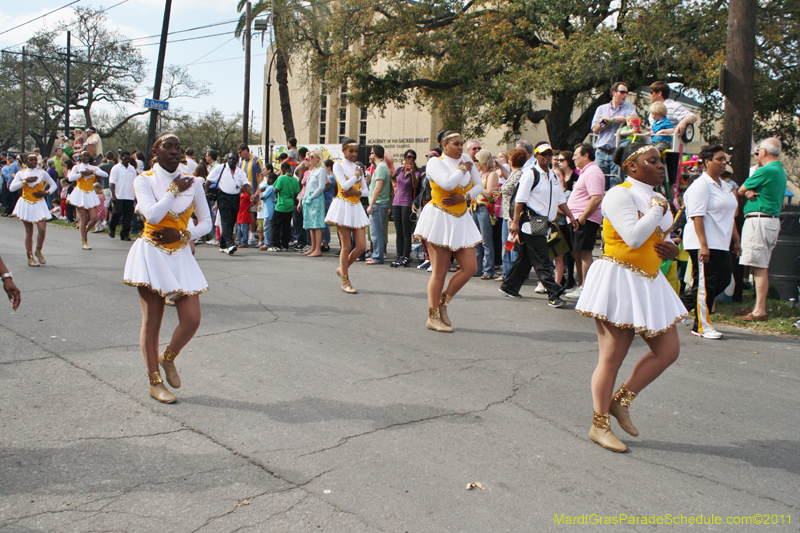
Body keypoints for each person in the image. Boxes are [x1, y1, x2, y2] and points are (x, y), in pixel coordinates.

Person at [575, 142, 686, 453]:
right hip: (619, 279)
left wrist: (672, 250)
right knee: (612, 356)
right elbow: (633, 236)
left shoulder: (659, 198)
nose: (660, 165)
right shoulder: (619, 194)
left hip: (649, 281)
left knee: (668, 350)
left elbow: (662, 239)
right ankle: (599, 425)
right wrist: (656, 210)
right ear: (632, 166)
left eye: (660, 160)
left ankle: (621, 400)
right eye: (652, 161)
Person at [123, 132, 212, 404]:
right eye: (167, 147)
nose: (174, 152)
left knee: (192, 319)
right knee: (153, 322)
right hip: (151, 254)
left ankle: (168, 357)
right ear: (156, 151)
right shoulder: (144, 180)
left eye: (177, 148)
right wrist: (174, 188)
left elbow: (207, 223)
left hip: (181, 254)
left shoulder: (194, 183)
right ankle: (154, 382)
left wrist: (184, 236)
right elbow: (152, 215)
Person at [413, 131, 483, 332]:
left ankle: (443, 303)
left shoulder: (467, 159)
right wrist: (462, 170)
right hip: (440, 219)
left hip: (461, 219)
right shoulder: (436, 162)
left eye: (461, 144)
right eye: (455, 144)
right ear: (444, 145)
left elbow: (480, 185)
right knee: (440, 272)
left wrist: (465, 197)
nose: (460, 148)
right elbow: (448, 184)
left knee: (470, 268)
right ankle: (432, 316)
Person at [500, 143, 577, 306]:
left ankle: (510, 286)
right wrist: (514, 222)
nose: (547, 156)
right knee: (542, 259)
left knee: (526, 258)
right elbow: (520, 200)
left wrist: (571, 216)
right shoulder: (530, 174)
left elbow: (560, 200)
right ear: (536, 156)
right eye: (543, 154)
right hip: (531, 224)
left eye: (549, 153)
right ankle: (554, 293)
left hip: (543, 224)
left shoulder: (553, 176)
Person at [680, 145, 741, 339]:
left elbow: (730, 215)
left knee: (722, 280)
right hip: (703, 242)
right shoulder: (700, 185)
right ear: (707, 162)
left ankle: (673, 307)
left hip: (721, 242)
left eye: (725, 160)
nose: (724, 163)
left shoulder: (724, 186)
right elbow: (696, 216)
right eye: (719, 159)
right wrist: (703, 245)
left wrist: (736, 240)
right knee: (706, 284)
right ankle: (701, 326)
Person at [737, 138, 787, 321]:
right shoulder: (778, 170)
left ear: (764, 152)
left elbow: (742, 189)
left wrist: (748, 190)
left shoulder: (766, 170)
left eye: (758, 151)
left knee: (759, 266)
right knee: (760, 264)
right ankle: (759, 307)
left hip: (759, 220)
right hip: (770, 221)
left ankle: (759, 310)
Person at [325, 137, 369, 293]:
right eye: (351, 151)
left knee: (362, 245)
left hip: (356, 207)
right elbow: (343, 186)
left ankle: (342, 269)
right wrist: (356, 177)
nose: (354, 154)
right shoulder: (338, 165)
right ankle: (345, 281)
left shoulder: (358, 168)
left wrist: (356, 190)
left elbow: (366, 191)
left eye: (356, 151)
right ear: (343, 150)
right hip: (343, 206)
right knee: (346, 245)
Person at [564, 144, 604, 298]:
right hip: (578, 219)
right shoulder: (585, 172)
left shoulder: (593, 172)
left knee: (585, 253)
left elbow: (596, 198)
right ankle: (581, 285)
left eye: (576, 155)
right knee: (578, 253)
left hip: (585, 220)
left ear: (586, 155)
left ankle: (586, 287)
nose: (573, 158)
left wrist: (582, 218)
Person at [9, 153, 57, 266]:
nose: (34, 162)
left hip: (39, 203)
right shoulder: (21, 173)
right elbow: (11, 188)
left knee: (42, 229)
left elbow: (53, 184)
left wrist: (46, 192)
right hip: (26, 203)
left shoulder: (42, 173)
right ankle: (30, 256)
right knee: (29, 231)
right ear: (26, 162)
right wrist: (25, 181)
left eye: (35, 160)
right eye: (31, 160)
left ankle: (38, 250)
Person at [591, 82, 637, 189]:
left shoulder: (629, 107)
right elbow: (595, 129)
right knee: (599, 186)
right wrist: (611, 121)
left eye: (626, 93)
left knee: (615, 186)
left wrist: (608, 119)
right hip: (601, 152)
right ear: (614, 93)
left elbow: (634, 120)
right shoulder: (601, 108)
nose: (625, 95)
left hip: (616, 153)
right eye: (622, 92)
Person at [206, 152, 252, 255]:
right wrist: (206, 193)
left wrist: (253, 195)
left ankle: (223, 245)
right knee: (226, 220)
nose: (231, 160)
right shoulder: (221, 168)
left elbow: (247, 185)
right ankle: (230, 244)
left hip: (235, 197)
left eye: (234, 159)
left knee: (231, 222)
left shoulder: (240, 172)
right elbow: (208, 180)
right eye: (230, 158)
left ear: (237, 161)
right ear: (227, 159)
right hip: (223, 196)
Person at [68, 151, 108, 250]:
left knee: (94, 218)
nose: (86, 157)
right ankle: (84, 241)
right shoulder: (76, 167)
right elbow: (70, 178)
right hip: (80, 193)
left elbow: (105, 174)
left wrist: (92, 172)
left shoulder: (94, 168)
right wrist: (81, 174)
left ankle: (84, 231)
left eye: (87, 155)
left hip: (90, 193)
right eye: (84, 156)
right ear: (80, 157)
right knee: (83, 218)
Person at [499, 148, 527, 283]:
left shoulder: (518, 174)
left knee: (511, 245)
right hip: (507, 213)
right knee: (508, 245)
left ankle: (512, 274)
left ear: (511, 160)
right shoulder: (514, 173)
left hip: (511, 214)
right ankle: (507, 273)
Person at [470, 148, 499, 279]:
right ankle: (477, 268)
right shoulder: (479, 174)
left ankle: (488, 269)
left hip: (485, 208)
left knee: (486, 240)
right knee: (476, 240)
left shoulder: (492, 174)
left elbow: (491, 194)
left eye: (478, 160)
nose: (476, 162)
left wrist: (478, 187)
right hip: (474, 206)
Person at [391, 149, 420, 267]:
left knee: (406, 231)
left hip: (406, 203)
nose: (411, 159)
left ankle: (405, 256)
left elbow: (415, 185)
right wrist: (394, 185)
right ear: (405, 158)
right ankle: (399, 255)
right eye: (409, 157)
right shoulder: (399, 170)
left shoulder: (416, 172)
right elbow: (392, 176)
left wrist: (412, 172)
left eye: (413, 157)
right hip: (396, 202)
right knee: (399, 231)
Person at [302, 149, 327, 257]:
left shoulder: (321, 170)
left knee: (317, 224)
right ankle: (313, 247)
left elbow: (321, 187)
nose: (310, 159)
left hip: (315, 199)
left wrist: (312, 196)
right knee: (311, 224)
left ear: (318, 158)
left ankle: (318, 248)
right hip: (309, 197)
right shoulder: (313, 170)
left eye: (312, 157)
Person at [108, 151, 138, 241]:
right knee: (117, 212)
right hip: (119, 195)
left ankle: (125, 234)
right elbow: (112, 182)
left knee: (128, 216)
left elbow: (135, 182)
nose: (127, 160)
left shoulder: (132, 169)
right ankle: (112, 228)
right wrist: (113, 195)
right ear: (121, 158)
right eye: (125, 158)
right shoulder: (116, 168)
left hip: (129, 195)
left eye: (128, 159)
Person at [258, 172, 277, 250]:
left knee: (267, 228)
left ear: (271, 179)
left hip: (268, 211)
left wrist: (262, 192)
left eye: (268, 178)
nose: (267, 180)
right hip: (270, 209)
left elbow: (262, 197)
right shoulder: (273, 187)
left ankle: (267, 244)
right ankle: (269, 242)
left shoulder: (270, 188)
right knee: (269, 228)